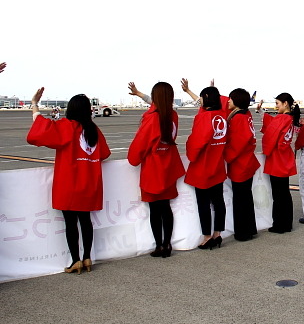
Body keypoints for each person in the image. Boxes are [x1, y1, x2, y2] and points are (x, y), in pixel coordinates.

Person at [27, 88, 111, 274]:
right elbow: (104, 153)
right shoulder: (93, 129)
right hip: (89, 183)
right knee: (86, 221)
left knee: (71, 223)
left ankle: (76, 260)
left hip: (69, 182)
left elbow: (40, 131)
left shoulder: (67, 126)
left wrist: (35, 105)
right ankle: (88, 257)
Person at [128, 82, 185, 258]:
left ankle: (159, 244)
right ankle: (167, 244)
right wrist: (139, 94)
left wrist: (133, 159)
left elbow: (140, 145)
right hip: (169, 165)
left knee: (155, 209)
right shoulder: (173, 115)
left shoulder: (152, 117)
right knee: (166, 207)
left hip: (154, 167)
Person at [184, 86, 227, 250]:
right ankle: (218, 233)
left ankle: (207, 236)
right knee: (218, 202)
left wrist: (191, 154)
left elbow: (196, 143)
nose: (199, 101)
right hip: (217, 165)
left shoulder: (204, 117)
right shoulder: (221, 115)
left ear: (206, 98)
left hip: (203, 167)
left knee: (203, 204)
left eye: (202, 98)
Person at [259, 93, 299, 234]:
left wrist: (266, 151)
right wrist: (262, 113)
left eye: (277, 103)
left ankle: (279, 224)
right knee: (285, 193)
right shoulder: (290, 118)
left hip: (277, 159)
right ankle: (287, 223)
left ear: (285, 103)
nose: (276, 106)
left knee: (278, 194)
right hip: (285, 157)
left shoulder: (282, 118)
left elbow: (270, 135)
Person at [224, 88, 260, 241]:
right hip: (247, 161)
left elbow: (238, 143)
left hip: (241, 164)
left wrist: (227, 157)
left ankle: (243, 232)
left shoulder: (238, 118)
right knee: (246, 198)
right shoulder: (246, 115)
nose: (228, 101)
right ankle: (250, 228)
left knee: (240, 200)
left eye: (231, 99)